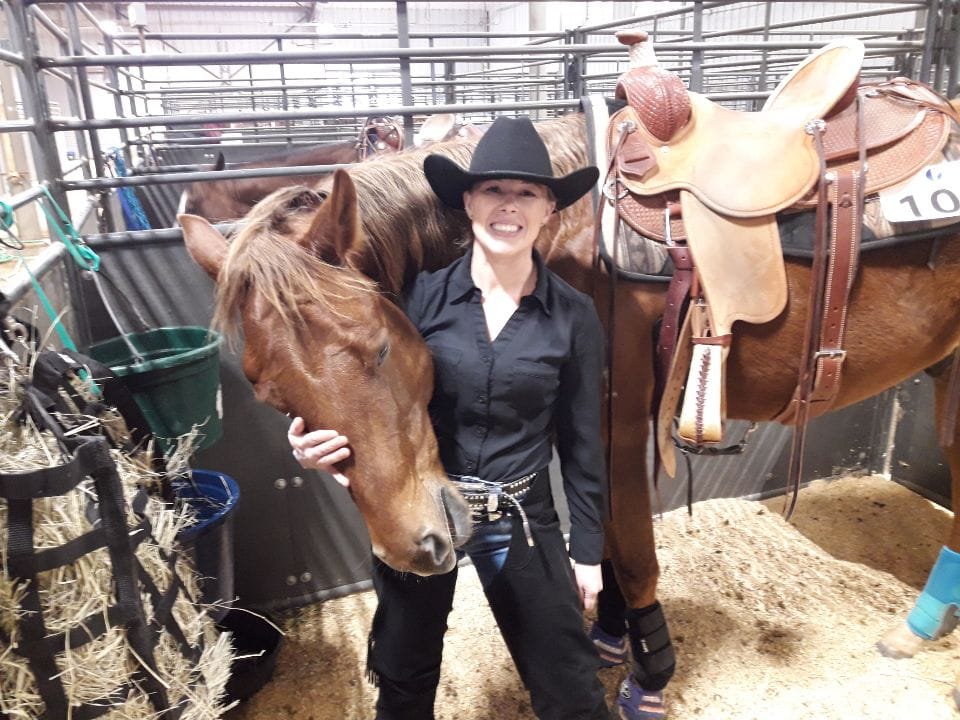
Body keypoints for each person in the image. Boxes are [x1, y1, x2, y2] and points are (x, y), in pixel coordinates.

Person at [288, 115, 612, 720]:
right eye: (493, 190)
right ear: (467, 201)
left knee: (572, 691)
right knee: (404, 679)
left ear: (549, 209)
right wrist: (310, 441)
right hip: (423, 503)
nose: (508, 207)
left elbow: (584, 442)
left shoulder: (575, 317)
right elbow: (365, 395)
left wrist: (588, 549)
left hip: (520, 512)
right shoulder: (417, 299)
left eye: (527, 193)